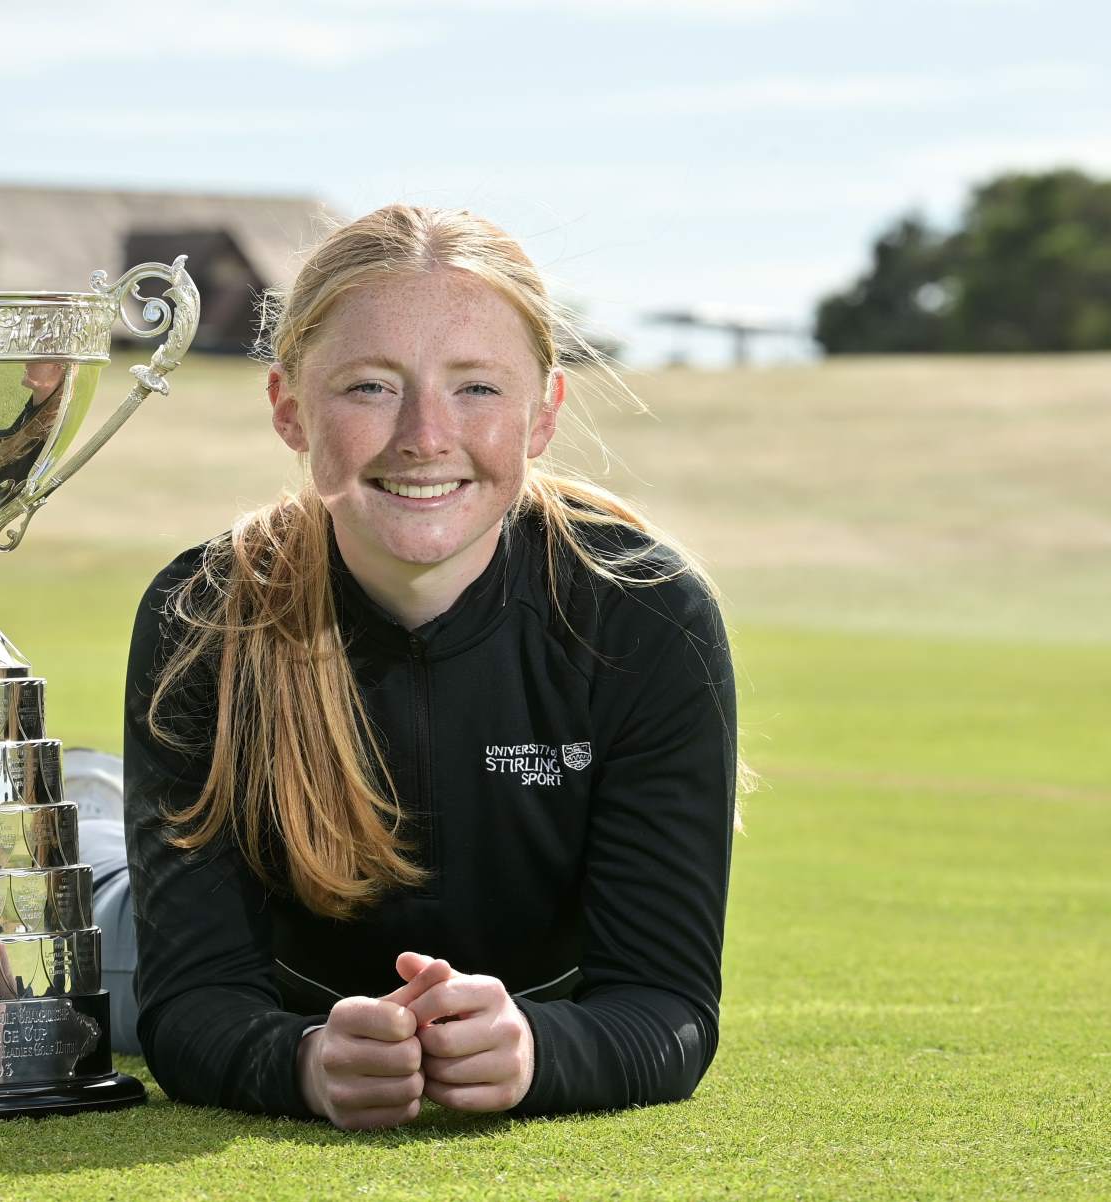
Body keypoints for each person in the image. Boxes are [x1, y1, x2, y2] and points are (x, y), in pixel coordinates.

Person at [93, 203, 743, 1131]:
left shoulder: (645, 616)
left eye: (476, 388)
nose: (426, 436)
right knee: (65, 915)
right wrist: (304, 1059)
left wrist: (533, 1050)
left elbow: (666, 1008)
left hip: (503, 1008)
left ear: (544, 414)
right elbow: (194, 1006)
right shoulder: (204, 614)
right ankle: (86, 797)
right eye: (368, 387)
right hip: (143, 943)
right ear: (288, 407)